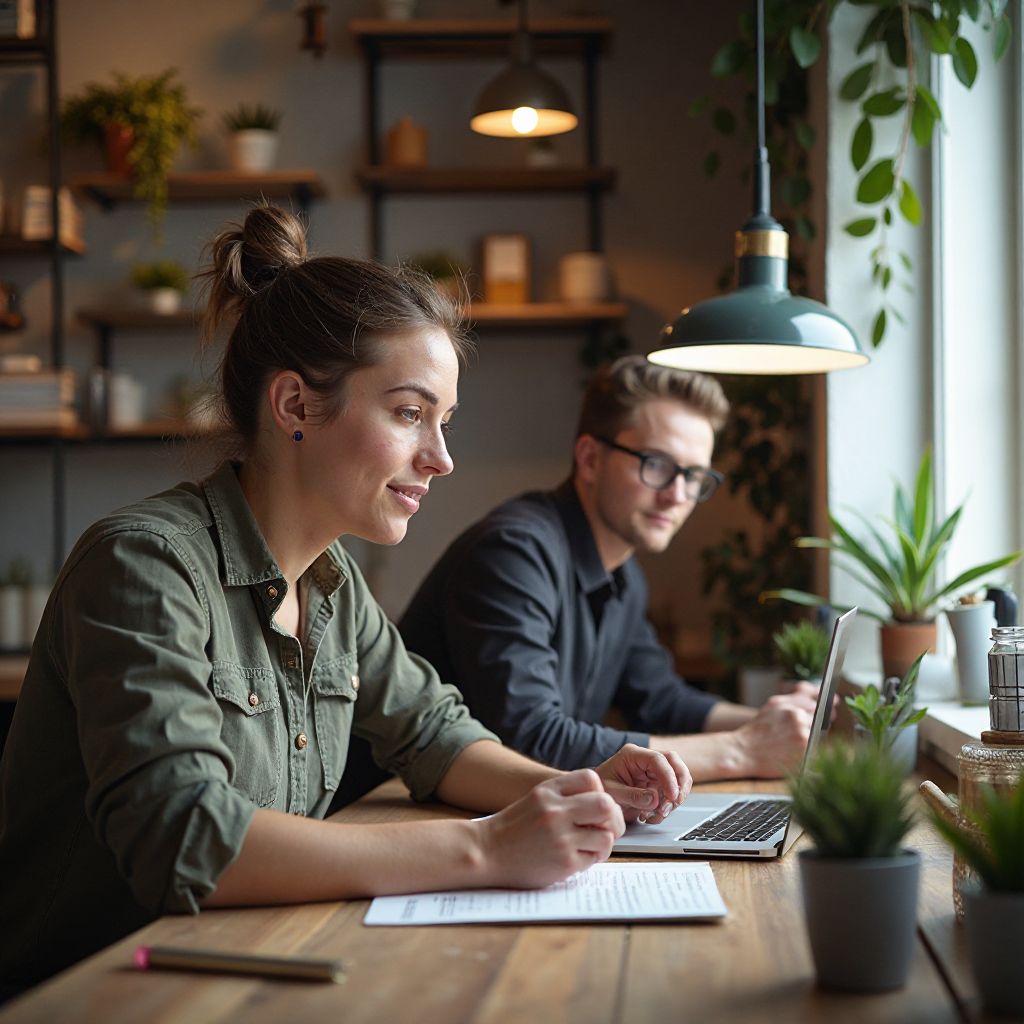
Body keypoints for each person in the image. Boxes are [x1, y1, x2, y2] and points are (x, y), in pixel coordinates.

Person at [0, 209, 689, 998]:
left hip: (244, 964)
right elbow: (185, 835)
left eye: (444, 421)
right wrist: (486, 850)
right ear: (295, 405)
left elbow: (434, 735)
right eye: (409, 413)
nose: (442, 457)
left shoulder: (333, 583)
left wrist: (586, 779)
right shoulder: (146, 564)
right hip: (91, 991)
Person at [398, 355, 819, 782]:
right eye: (658, 464)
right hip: (388, 809)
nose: (678, 495)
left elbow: (662, 700)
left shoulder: (622, 573)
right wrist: (742, 750)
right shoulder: (513, 553)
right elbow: (531, 738)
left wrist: (778, 724)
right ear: (590, 459)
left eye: (694, 476)